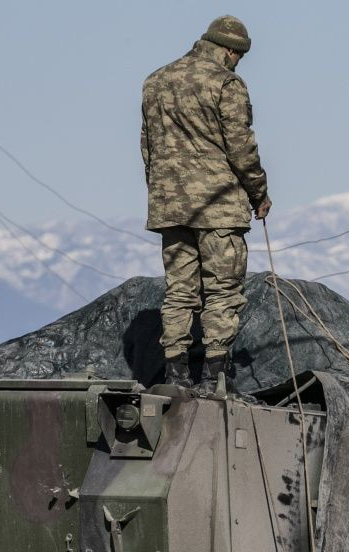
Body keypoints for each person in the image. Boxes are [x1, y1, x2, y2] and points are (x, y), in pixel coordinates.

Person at [141, 15, 271, 388]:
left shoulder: (156, 81)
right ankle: (215, 376)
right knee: (222, 292)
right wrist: (258, 194)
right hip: (219, 208)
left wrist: (163, 194)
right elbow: (242, 148)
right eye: (239, 57)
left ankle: (175, 374)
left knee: (179, 292)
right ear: (231, 51)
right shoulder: (226, 84)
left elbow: (147, 148)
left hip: (169, 207)